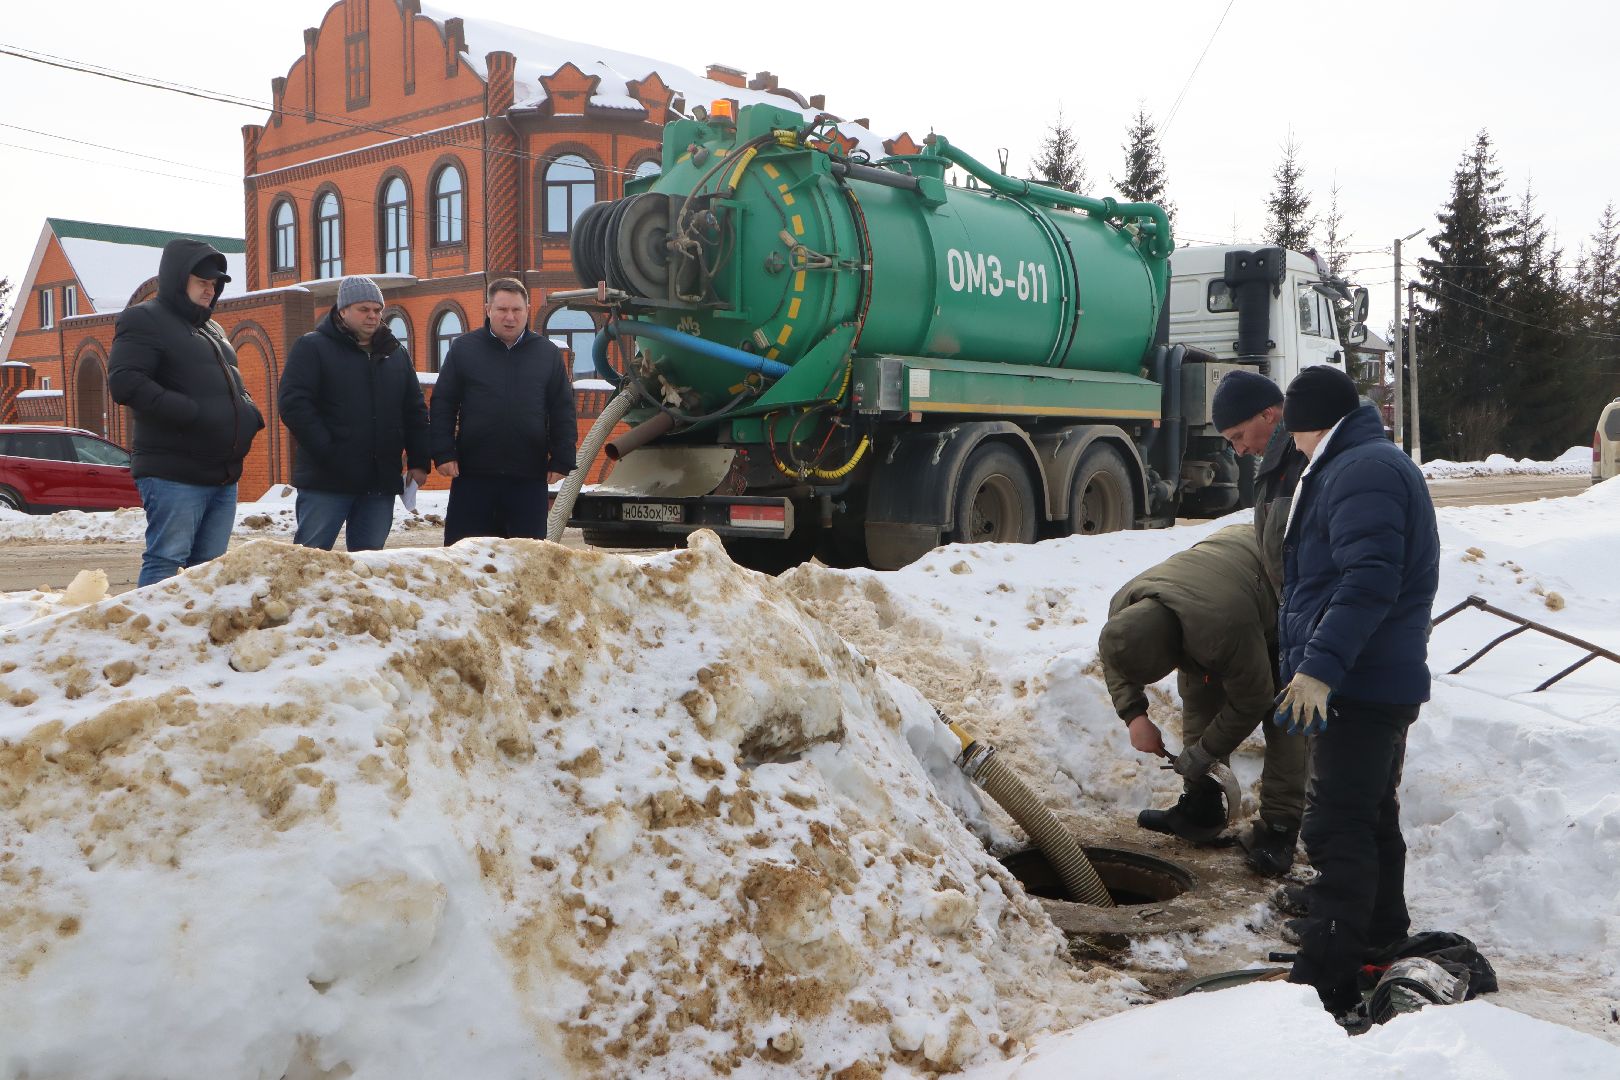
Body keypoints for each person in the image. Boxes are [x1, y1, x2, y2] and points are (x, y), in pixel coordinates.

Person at [1272, 364, 1439, 1023]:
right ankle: (1378, 933)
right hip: (1372, 678)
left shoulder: (1360, 469)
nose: (1295, 448)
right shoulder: (1363, 460)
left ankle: (1325, 979)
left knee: (1337, 826)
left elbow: (1369, 581)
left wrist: (1321, 668)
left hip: (1360, 682)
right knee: (1370, 815)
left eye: (1296, 436)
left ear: (1310, 426)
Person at [1097, 522, 1306, 860]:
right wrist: (1133, 715)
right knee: (1198, 690)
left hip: (1279, 585)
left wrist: (1206, 751)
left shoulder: (1224, 627)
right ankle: (1202, 807)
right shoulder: (1126, 606)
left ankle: (1279, 829)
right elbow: (1112, 656)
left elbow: (1253, 700)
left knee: (1285, 707)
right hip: (1217, 583)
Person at [109, 238, 264, 586]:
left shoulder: (212, 329)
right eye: (202, 282)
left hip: (221, 475)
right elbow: (126, 382)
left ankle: (193, 638)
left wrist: (249, 412)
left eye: (214, 285)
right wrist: (189, 411)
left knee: (208, 570)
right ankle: (151, 639)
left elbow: (231, 385)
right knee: (167, 562)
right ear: (179, 279)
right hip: (173, 473)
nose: (210, 291)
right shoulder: (144, 319)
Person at [1212, 368, 1312, 875]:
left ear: (1268, 416)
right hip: (1292, 618)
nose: (1237, 450)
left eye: (1237, 436)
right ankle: (1284, 831)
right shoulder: (1275, 467)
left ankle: (1287, 833)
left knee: (1304, 732)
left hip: (1320, 628)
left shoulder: (1307, 466)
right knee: (1290, 721)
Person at [278, 276, 430, 551]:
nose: (372, 316)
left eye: (377, 310)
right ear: (343, 310)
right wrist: (329, 451)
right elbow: (294, 405)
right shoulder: (313, 347)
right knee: (308, 560)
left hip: (379, 481)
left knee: (369, 569)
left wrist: (419, 460)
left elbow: (414, 410)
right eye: (364, 309)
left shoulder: (395, 354)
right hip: (327, 480)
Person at [429, 278, 577, 544]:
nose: (510, 317)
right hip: (473, 475)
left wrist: (562, 457)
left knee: (526, 561)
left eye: (516, 310)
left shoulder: (546, 353)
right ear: (488, 309)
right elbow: (443, 403)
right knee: (466, 557)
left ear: (527, 310)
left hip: (528, 477)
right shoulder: (464, 349)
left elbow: (561, 409)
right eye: (502, 309)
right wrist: (442, 452)